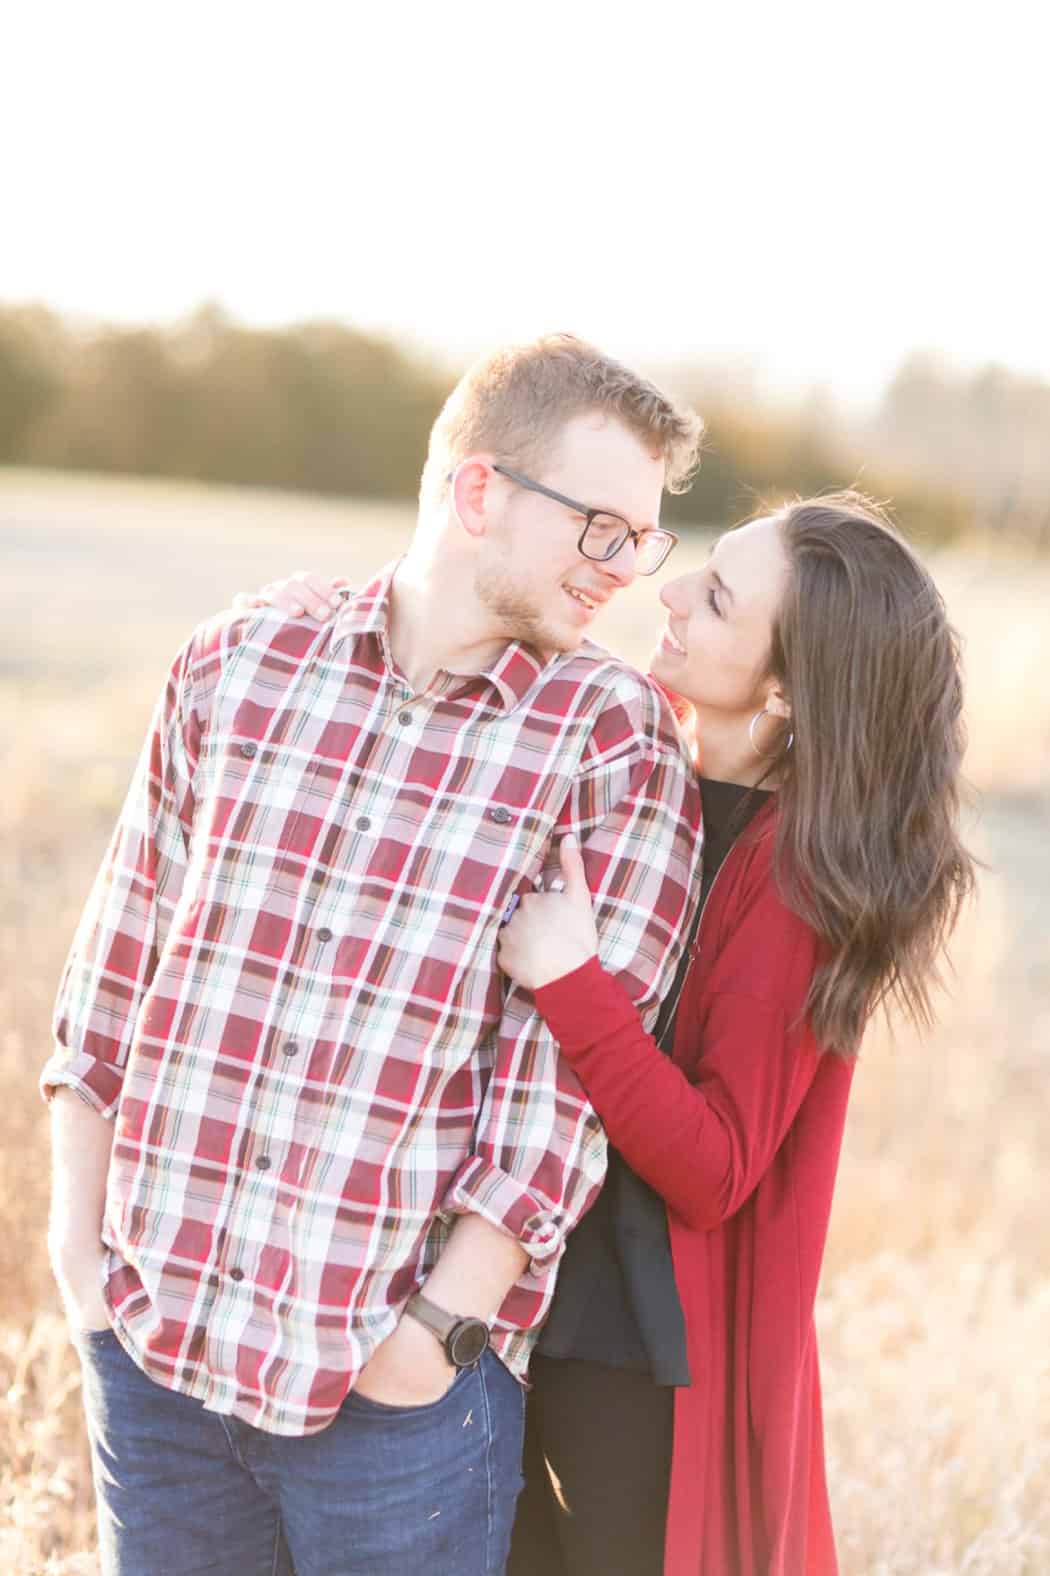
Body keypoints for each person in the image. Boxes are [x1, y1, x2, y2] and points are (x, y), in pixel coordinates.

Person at [42, 335, 705, 1576]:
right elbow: (108, 985)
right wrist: (82, 1261)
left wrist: (435, 1335)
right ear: (478, 491)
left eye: (641, 540)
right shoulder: (238, 664)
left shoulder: (609, 744)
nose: (621, 573)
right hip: (157, 1357)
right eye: (599, 529)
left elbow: (559, 1101)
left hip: (392, 1406)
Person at [264, 493, 974, 1576]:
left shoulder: (794, 887)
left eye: (719, 598)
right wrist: (328, 613)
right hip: (520, 1300)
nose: (671, 590)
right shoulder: (641, 758)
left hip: (627, 1355)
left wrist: (570, 981)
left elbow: (717, 1166)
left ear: (785, 689)